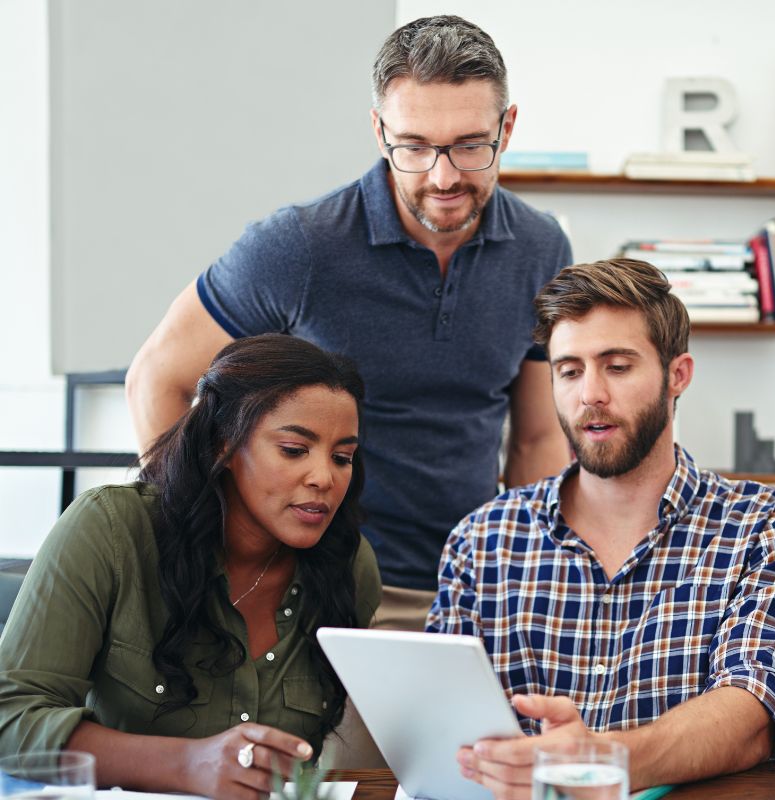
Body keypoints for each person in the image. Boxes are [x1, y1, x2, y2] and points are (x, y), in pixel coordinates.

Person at [124, 15, 571, 633]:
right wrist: (206, 542)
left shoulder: (541, 248)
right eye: (414, 146)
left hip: (477, 585)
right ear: (379, 132)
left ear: (508, 127)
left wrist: (527, 569)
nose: (443, 177)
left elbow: (535, 439)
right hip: (322, 587)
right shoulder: (300, 247)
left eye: (470, 145)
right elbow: (157, 377)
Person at [429, 259, 775, 799]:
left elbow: (751, 717)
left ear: (677, 375)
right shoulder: (482, 541)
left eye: (617, 366)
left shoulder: (768, 530)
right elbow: (441, 727)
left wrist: (601, 761)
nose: (590, 394)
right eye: (569, 371)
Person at [0, 334, 381, 798]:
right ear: (223, 444)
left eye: (342, 457)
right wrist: (188, 764)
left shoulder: (348, 565)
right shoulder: (113, 531)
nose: (324, 477)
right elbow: (12, 718)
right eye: (294, 450)